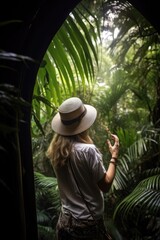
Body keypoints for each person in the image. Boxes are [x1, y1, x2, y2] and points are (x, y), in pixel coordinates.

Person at [46, 97, 119, 240]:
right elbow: (106, 184)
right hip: (87, 226)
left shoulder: (55, 150)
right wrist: (114, 156)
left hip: (65, 222)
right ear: (83, 124)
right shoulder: (88, 151)